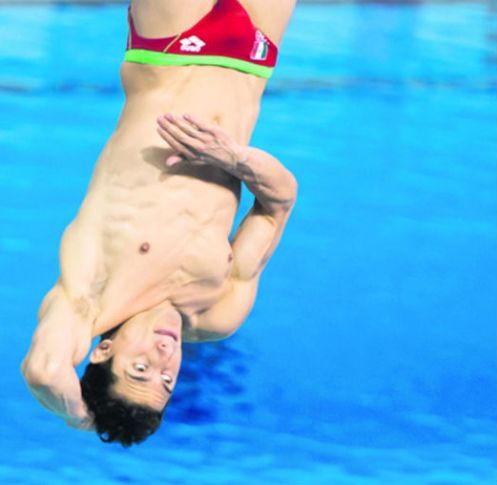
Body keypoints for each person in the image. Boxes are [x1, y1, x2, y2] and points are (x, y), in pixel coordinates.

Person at [20, 0, 298, 447]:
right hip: (253, 58)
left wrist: (86, 417)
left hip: (172, 46)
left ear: (103, 351)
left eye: (140, 369)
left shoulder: (88, 299)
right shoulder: (217, 311)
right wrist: (235, 159)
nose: (164, 358)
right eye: (167, 382)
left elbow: (45, 372)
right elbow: (279, 202)